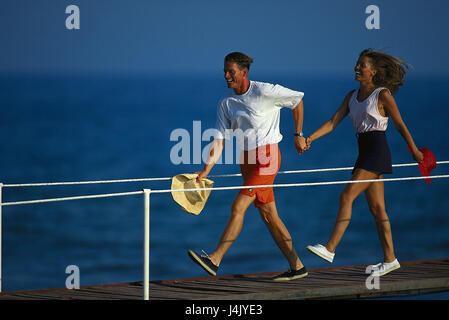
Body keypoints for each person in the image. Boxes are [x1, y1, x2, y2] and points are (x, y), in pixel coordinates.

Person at [188, 52, 309, 281]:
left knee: (238, 206)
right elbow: (219, 140)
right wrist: (206, 170)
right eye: (224, 71)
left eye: (230, 71)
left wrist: (298, 134)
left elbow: (297, 101)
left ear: (244, 73)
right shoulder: (226, 103)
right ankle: (297, 267)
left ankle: (214, 259)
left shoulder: (264, 91)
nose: (226, 76)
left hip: (267, 157)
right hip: (246, 161)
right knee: (269, 215)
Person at [305, 49, 424, 277]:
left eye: (362, 65)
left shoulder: (382, 95)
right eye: (356, 64)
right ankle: (390, 259)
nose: (357, 68)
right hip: (364, 152)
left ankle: (330, 248)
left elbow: (399, 124)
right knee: (377, 208)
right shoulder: (351, 96)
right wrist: (310, 138)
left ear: (374, 71)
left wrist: (414, 150)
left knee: (346, 196)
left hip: (376, 151)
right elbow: (332, 122)